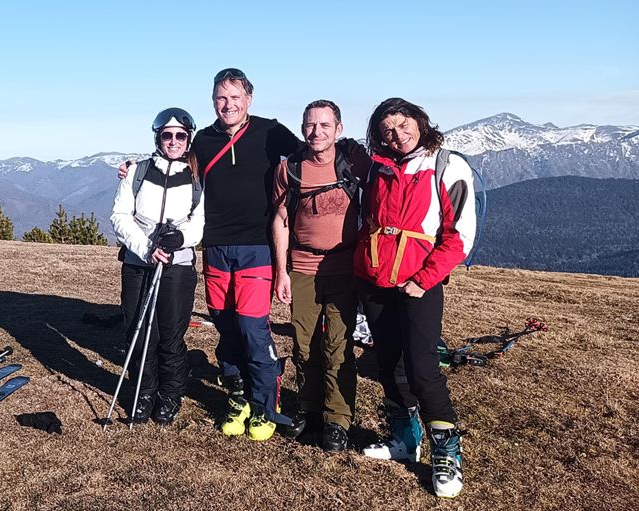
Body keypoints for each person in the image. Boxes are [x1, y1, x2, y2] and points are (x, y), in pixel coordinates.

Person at [354, 98, 476, 498]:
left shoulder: (445, 165)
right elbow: (364, 221)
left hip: (418, 284)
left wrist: (424, 280)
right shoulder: (376, 168)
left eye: (404, 124)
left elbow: (458, 235)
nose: (398, 134)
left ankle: (446, 453)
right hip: (376, 281)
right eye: (387, 129)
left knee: (423, 369)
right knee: (389, 365)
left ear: (420, 123)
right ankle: (405, 438)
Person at [193, 68, 299, 441]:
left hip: (257, 246)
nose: (229, 105)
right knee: (225, 325)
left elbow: (312, 155)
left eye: (235, 98)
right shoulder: (202, 141)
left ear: (249, 100)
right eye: (222, 98)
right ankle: (237, 398)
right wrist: (133, 170)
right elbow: (176, 169)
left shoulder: (270, 130)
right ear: (213, 101)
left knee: (253, 328)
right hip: (215, 246)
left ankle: (265, 405)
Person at [271, 100, 370, 452]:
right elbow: (281, 220)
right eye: (311, 125)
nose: (317, 132)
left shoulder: (355, 162)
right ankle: (310, 409)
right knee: (304, 344)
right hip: (303, 267)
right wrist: (281, 272)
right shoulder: (289, 169)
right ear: (302, 128)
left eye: (325, 125)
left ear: (338, 129)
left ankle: (338, 419)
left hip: (344, 267)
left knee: (339, 347)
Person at [110, 107, 204, 426]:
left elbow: (200, 222)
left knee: (170, 334)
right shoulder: (137, 171)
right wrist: (146, 248)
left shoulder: (197, 176)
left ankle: (170, 394)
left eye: (180, 135)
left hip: (178, 268)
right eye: (167, 135)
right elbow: (120, 216)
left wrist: (179, 238)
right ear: (158, 137)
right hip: (139, 263)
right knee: (138, 328)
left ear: (188, 138)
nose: (174, 141)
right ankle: (143, 391)